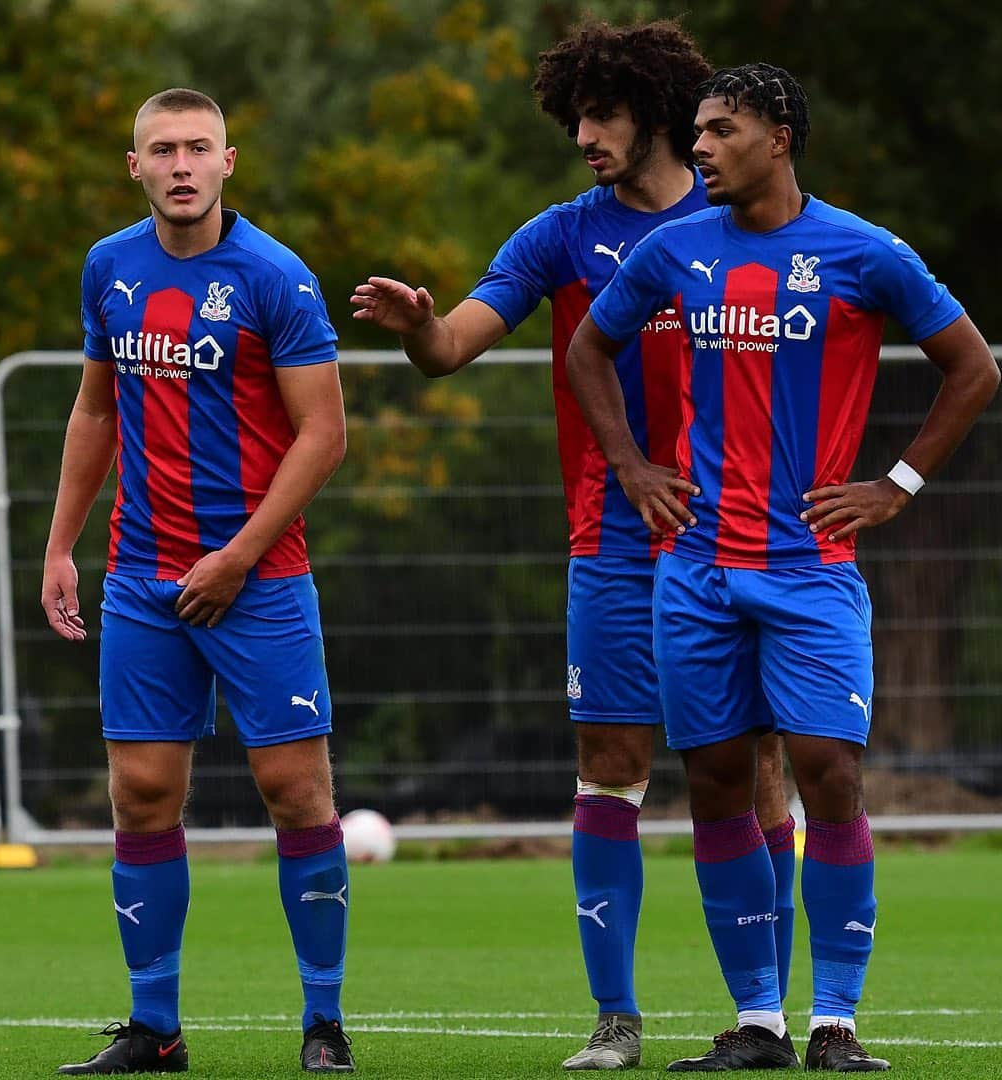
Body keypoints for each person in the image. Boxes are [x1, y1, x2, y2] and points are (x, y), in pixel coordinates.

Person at [351, 24, 798, 1071]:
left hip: (744, 538)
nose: (585, 136)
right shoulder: (561, 235)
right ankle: (616, 1019)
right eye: (574, 119)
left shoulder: (738, 217)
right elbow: (455, 345)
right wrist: (421, 327)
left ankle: (768, 1013)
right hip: (612, 537)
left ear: (655, 109)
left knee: (753, 764)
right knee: (611, 768)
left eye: (600, 115)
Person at [566, 63, 1000, 1071]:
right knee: (716, 780)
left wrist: (894, 484)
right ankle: (756, 1021)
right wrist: (631, 465)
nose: (702, 148)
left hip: (809, 568)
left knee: (828, 775)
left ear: (780, 135)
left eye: (719, 131)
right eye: (698, 132)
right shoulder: (677, 251)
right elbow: (591, 350)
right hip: (697, 569)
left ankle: (836, 1022)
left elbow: (973, 367)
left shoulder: (863, 252)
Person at [42, 88, 354, 1075]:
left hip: (260, 580)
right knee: (140, 792)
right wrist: (60, 546)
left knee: (295, 791)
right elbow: (96, 414)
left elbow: (325, 434)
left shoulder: (275, 277)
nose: (181, 165)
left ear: (229, 162)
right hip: (142, 578)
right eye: (162, 150)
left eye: (199, 149)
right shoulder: (109, 268)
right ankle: (155, 1029)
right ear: (134, 166)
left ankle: (322, 1022)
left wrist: (239, 556)